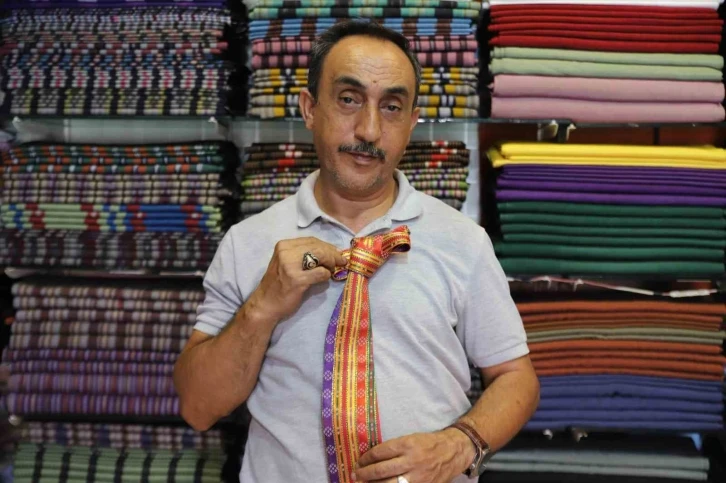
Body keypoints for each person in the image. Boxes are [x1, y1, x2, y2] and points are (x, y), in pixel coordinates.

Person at [173, 20, 539, 483]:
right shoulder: (247, 243)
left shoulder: (463, 241)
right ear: (310, 108)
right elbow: (198, 407)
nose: (369, 129)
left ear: (411, 122)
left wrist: (459, 444)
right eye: (349, 99)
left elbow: (516, 378)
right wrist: (262, 306)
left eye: (392, 107)